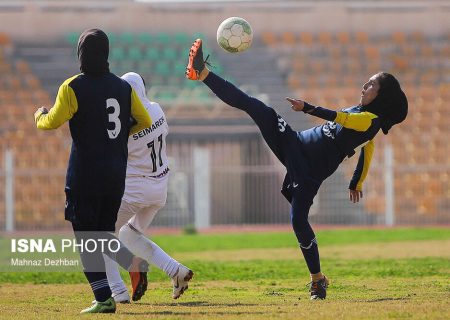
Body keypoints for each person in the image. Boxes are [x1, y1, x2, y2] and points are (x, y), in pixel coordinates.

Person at [185, 39, 408, 300]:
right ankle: (202, 74)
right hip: (295, 143)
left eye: (371, 85)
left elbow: (345, 121)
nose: (364, 85)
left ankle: (317, 280)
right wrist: (356, 182)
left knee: (298, 220)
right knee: (256, 107)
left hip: (309, 170)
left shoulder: (369, 120)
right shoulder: (363, 113)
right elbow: (367, 148)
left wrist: (309, 108)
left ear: (381, 95)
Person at [34, 29, 153, 313]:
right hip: (115, 174)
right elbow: (143, 120)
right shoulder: (123, 88)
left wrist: (39, 115)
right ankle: (131, 265)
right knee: (101, 234)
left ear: (81, 54)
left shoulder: (72, 87)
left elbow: (51, 122)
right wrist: (120, 135)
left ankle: (104, 298)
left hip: (85, 174)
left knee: (86, 237)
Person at [102, 72, 193, 303]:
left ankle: (118, 292)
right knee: (129, 235)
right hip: (159, 187)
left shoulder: (126, 122)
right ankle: (176, 271)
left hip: (135, 189)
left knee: (98, 235)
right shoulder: (157, 109)